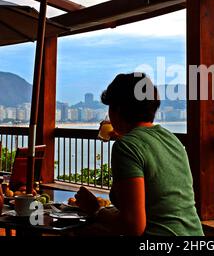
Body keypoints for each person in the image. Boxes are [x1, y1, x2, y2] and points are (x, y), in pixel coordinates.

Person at [74, 73, 204, 236]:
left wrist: (96, 209)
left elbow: (133, 226)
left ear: (118, 109)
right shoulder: (170, 138)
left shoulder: (127, 146)